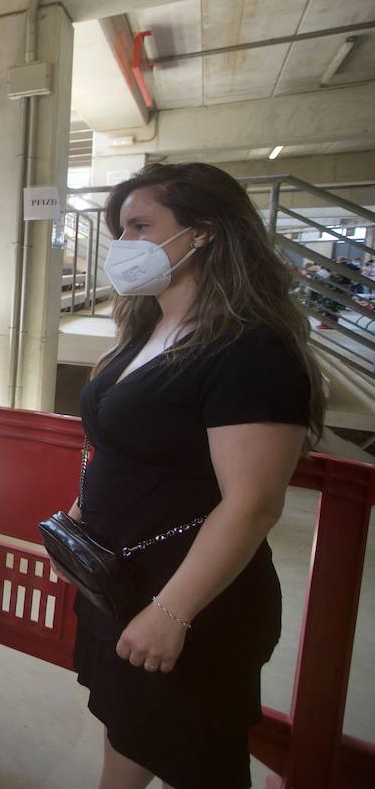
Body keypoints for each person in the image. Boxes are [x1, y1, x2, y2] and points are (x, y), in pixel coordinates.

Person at [69, 162, 323, 789]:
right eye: (119, 232)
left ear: (204, 232)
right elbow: (127, 449)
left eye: (140, 226)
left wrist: (173, 613)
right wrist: (82, 520)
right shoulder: (145, 330)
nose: (123, 246)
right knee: (127, 724)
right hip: (120, 583)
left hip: (189, 597)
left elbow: (253, 503)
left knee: (197, 757)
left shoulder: (251, 350)